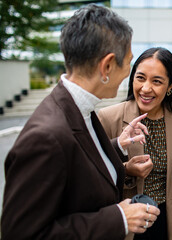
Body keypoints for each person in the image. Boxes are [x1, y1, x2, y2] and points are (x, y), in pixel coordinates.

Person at [1, 5, 160, 240]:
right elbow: (22, 234)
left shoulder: (78, 108)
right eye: (128, 62)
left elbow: (76, 163)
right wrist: (118, 218)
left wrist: (117, 146)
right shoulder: (44, 138)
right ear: (106, 66)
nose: (128, 72)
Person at [98, 47, 172, 240]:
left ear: (171, 85)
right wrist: (127, 170)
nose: (145, 88)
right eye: (140, 78)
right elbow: (94, 176)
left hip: (166, 218)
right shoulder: (109, 117)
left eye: (157, 81)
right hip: (127, 220)